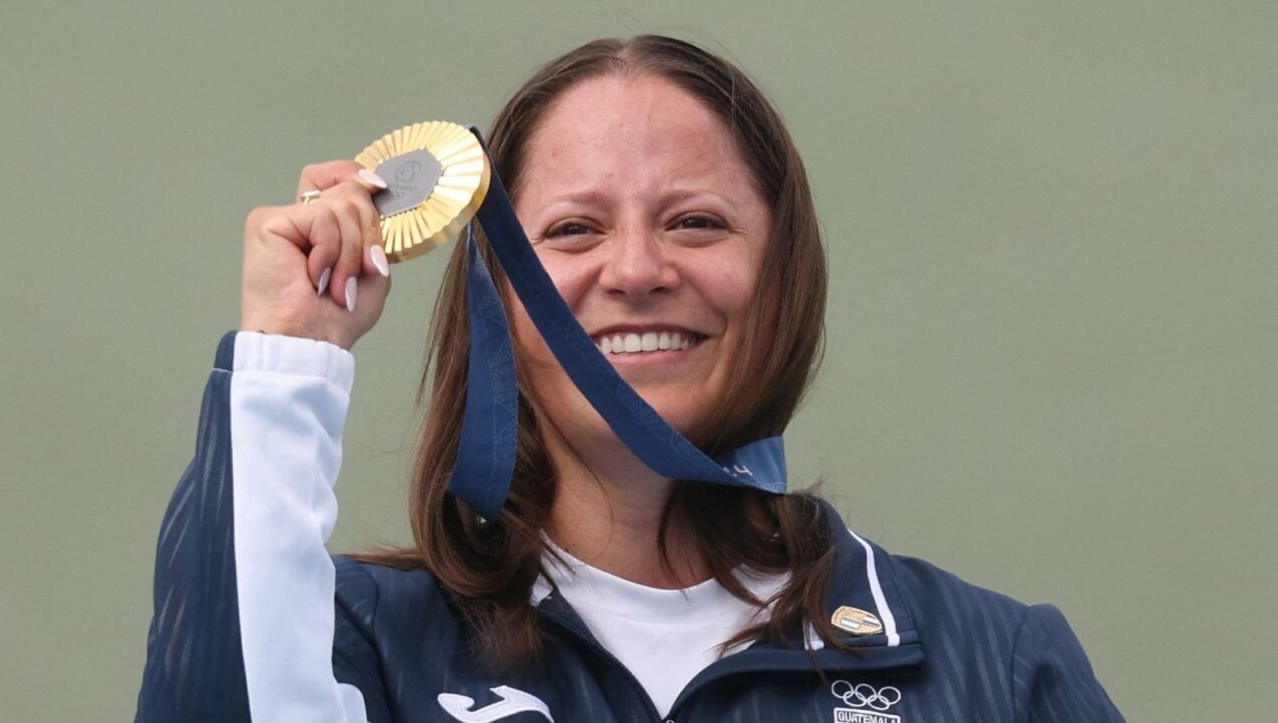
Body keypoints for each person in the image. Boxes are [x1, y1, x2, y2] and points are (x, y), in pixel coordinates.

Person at [136, 35, 1123, 722]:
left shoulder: (992, 663)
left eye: (696, 222)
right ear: (498, 297)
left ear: (783, 275)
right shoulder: (361, 644)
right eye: (571, 230)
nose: (638, 270)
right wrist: (291, 351)